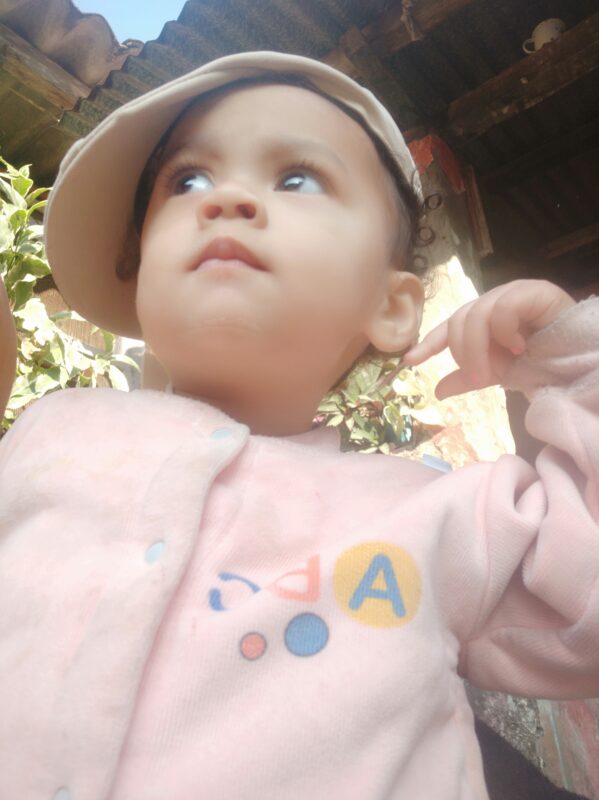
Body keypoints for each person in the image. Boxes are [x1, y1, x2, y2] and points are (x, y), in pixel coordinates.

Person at [0, 51, 597, 800]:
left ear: (391, 307)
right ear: (139, 273)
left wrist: (577, 361)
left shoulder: (444, 513)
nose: (225, 199)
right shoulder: (49, 433)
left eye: (296, 179)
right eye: (186, 181)